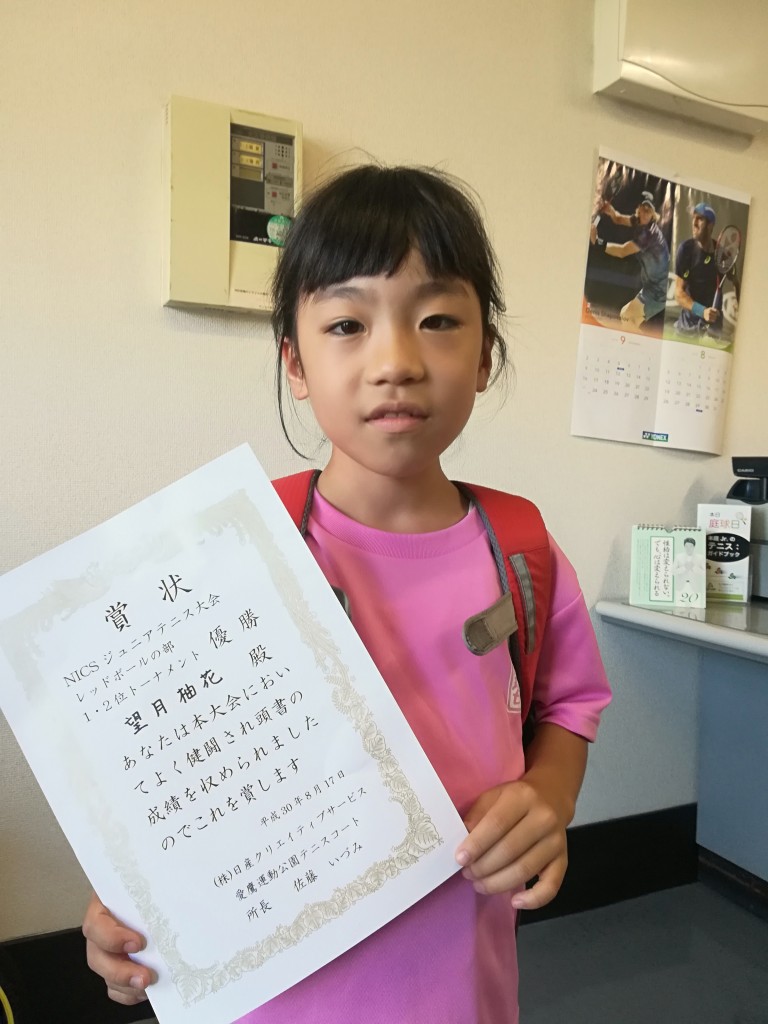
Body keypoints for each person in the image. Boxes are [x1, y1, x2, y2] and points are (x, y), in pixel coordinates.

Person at [82, 165, 611, 1024]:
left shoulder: (521, 548)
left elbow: (570, 705)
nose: (395, 362)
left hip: (460, 989)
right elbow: (167, 764)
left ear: (486, 355)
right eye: (346, 324)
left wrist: (551, 794)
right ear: (295, 362)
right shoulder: (232, 554)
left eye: (437, 320)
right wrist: (129, 912)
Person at [590, 190, 670, 330]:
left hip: (659, 292)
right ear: (638, 209)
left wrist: (598, 242)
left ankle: (640, 343)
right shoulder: (638, 220)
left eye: (648, 210)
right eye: (643, 208)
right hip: (650, 286)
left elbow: (622, 251)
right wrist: (611, 211)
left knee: (627, 317)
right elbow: (618, 219)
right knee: (625, 315)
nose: (645, 213)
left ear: (653, 214)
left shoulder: (649, 233)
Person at [673, 202, 720, 334]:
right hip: (686, 328)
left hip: (713, 331)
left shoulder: (722, 254)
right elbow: (679, 294)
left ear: (710, 225)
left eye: (699, 219)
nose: (694, 223)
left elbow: (738, 286)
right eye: (693, 218)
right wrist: (702, 311)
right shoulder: (685, 250)